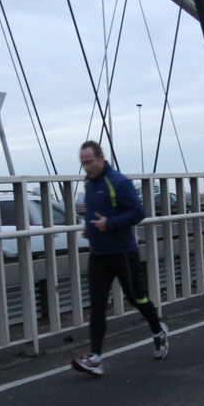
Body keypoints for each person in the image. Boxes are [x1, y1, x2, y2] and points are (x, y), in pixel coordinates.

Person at [72, 141, 168, 376]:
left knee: (137, 298)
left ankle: (158, 331)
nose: (87, 167)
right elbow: (96, 211)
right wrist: (89, 227)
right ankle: (96, 358)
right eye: (83, 163)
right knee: (97, 305)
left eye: (90, 162)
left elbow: (137, 212)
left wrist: (110, 224)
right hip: (98, 255)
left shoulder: (118, 182)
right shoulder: (88, 183)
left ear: (101, 158)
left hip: (123, 253)